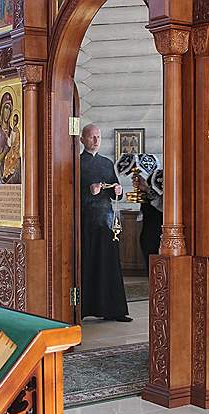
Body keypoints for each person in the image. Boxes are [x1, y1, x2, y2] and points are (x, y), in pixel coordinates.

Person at [80, 124, 132, 322]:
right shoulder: (76, 163)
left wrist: (118, 190)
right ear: (82, 140)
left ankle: (114, 310)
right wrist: (88, 190)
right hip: (85, 222)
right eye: (91, 137)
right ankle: (82, 310)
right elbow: (68, 194)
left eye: (98, 137)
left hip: (106, 222)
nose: (96, 140)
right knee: (88, 263)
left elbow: (115, 192)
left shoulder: (106, 163)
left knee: (109, 264)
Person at [133, 170, 163, 269]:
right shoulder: (154, 174)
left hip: (160, 226)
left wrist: (146, 189)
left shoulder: (166, 176)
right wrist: (143, 189)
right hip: (149, 224)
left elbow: (162, 205)